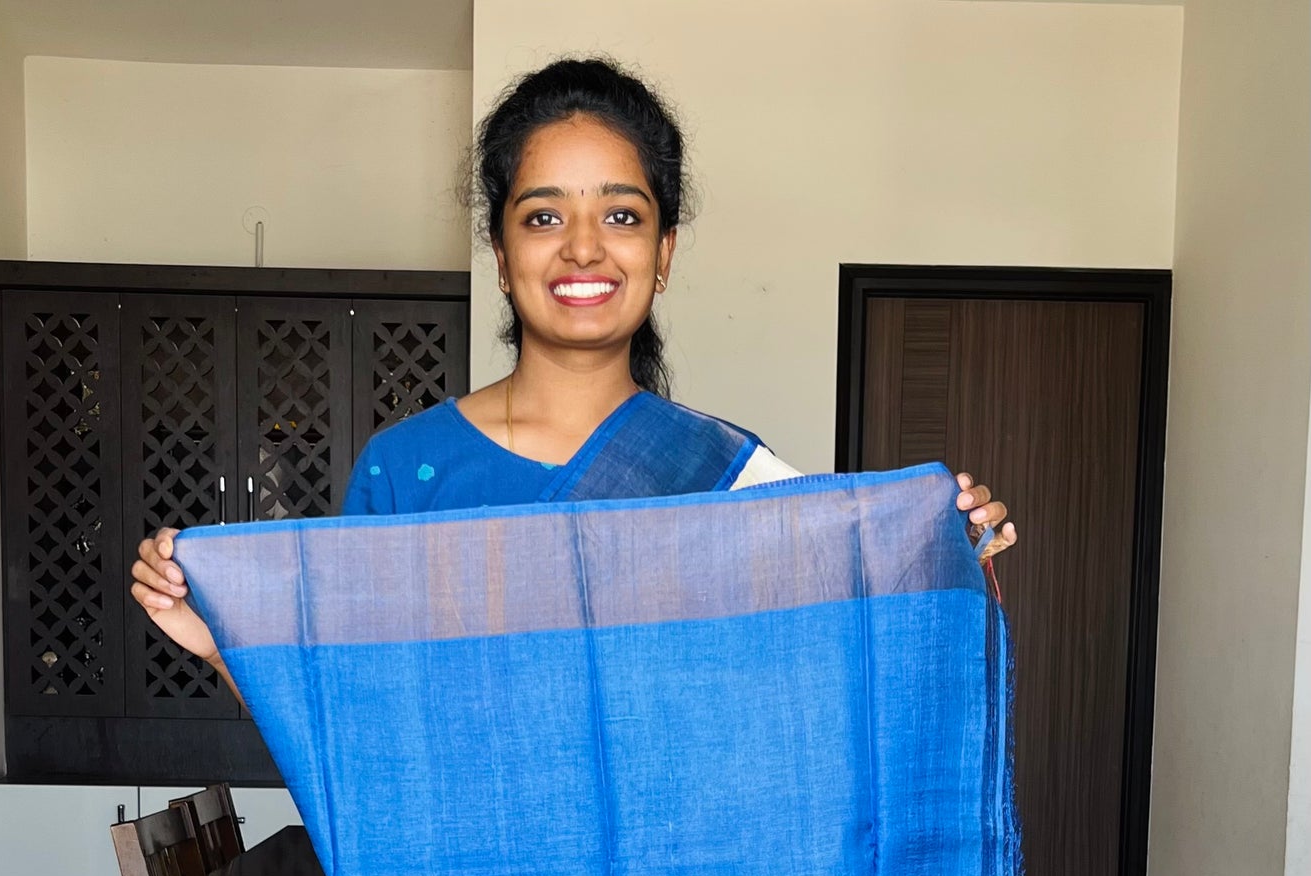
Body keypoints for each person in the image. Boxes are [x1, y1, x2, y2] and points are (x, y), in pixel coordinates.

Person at [130, 57, 1016, 689]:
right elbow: (353, 720)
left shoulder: (726, 473)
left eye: (622, 215)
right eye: (544, 215)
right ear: (501, 249)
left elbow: (826, 679)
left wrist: (946, 564)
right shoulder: (407, 470)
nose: (584, 247)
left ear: (662, 253)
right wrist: (216, 646)